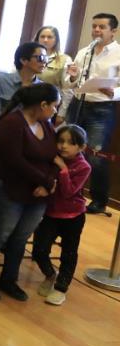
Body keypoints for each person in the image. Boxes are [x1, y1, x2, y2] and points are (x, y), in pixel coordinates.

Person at [0, 82, 60, 302]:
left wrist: (49, 182)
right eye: (53, 106)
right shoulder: (12, 123)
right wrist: (44, 180)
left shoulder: (46, 125)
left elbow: (55, 156)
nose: (55, 111)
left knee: (20, 238)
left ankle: (9, 279)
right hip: (10, 189)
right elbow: (15, 161)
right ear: (42, 104)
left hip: (38, 193)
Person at [64, 12, 119, 214]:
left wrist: (113, 92)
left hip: (102, 108)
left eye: (102, 27)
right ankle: (69, 192)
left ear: (113, 31)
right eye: (94, 26)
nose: (96, 30)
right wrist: (72, 76)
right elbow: (71, 82)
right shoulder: (84, 52)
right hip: (79, 104)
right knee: (70, 148)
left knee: (95, 155)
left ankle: (99, 199)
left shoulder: (119, 53)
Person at [30, 123, 90, 306]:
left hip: (73, 216)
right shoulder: (52, 160)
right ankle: (50, 275)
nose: (64, 146)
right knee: (39, 249)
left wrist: (63, 169)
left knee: (69, 253)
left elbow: (68, 191)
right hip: (51, 214)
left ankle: (61, 288)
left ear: (81, 147)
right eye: (61, 141)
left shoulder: (83, 167)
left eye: (70, 143)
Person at [0, 42, 47, 132]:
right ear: (23, 60)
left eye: (46, 58)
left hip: (27, 137)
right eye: (40, 58)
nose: (44, 62)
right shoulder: (0, 81)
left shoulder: (43, 88)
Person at [35, 25, 73, 93]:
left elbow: (67, 88)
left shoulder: (65, 59)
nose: (45, 40)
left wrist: (64, 103)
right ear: (37, 39)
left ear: (56, 40)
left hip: (51, 100)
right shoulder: (29, 56)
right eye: (42, 36)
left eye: (49, 37)